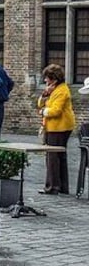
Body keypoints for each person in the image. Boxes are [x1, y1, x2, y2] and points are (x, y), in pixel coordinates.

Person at [37, 64, 76, 195]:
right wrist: (45, 94)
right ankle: (62, 187)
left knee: (53, 156)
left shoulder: (62, 91)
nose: (45, 81)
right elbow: (40, 103)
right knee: (59, 156)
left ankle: (52, 186)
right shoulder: (54, 89)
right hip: (55, 126)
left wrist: (43, 112)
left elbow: (56, 111)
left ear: (54, 78)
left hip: (59, 127)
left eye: (47, 78)